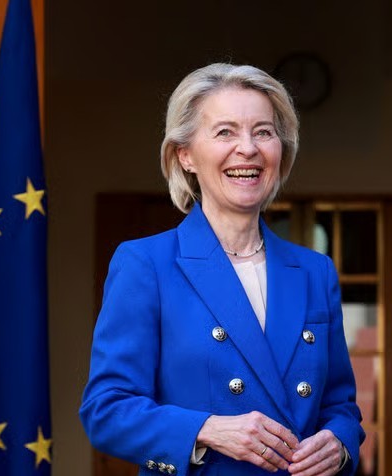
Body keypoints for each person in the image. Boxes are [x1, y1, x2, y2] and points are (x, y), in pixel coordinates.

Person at [80, 63, 363, 476]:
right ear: (185, 155)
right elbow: (106, 411)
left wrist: (338, 445)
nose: (247, 149)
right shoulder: (146, 263)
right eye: (225, 132)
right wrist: (207, 429)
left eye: (263, 132)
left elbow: (340, 406)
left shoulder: (314, 271)